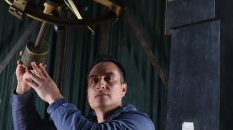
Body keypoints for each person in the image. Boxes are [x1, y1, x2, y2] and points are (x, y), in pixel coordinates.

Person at [12, 54, 155, 130]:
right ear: (88, 94)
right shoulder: (75, 124)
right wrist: (24, 87)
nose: (101, 84)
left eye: (108, 78)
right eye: (94, 80)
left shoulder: (140, 124)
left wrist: (53, 97)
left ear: (123, 89)